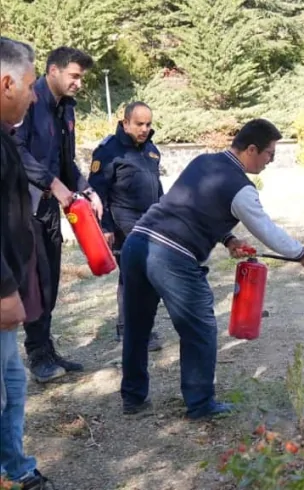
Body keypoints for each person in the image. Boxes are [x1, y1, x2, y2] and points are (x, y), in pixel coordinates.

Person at [119, 119, 304, 420]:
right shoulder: (241, 188)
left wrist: (227, 238)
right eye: (269, 153)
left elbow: (190, 207)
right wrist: (302, 253)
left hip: (137, 243)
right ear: (251, 149)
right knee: (200, 327)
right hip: (170, 255)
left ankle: (133, 398)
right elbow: (267, 230)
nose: (271, 160)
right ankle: (201, 405)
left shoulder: (204, 161)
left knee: (137, 326)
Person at [16, 46, 102, 383]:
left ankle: (47, 349)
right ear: (53, 70)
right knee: (34, 283)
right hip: (21, 207)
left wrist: (87, 189)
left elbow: (67, 163)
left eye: (81, 77)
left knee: (50, 281)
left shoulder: (66, 109)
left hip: (50, 209)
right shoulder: (27, 100)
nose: (79, 83)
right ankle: (37, 355)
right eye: (75, 75)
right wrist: (51, 183)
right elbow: (15, 150)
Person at [1, 36, 56, 490]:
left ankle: (16, 466)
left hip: (9, 290)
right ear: (6, 83)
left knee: (12, 387)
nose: (34, 96)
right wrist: (4, 291)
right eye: (30, 85)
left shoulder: (6, 138)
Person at [87, 101, 164, 351]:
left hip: (150, 219)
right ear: (125, 122)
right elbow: (97, 192)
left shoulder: (151, 150)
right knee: (135, 274)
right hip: (123, 221)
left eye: (148, 124)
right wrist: (105, 227)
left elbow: (157, 188)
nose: (144, 129)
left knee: (146, 275)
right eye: (139, 124)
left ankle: (139, 328)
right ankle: (129, 330)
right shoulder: (109, 151)